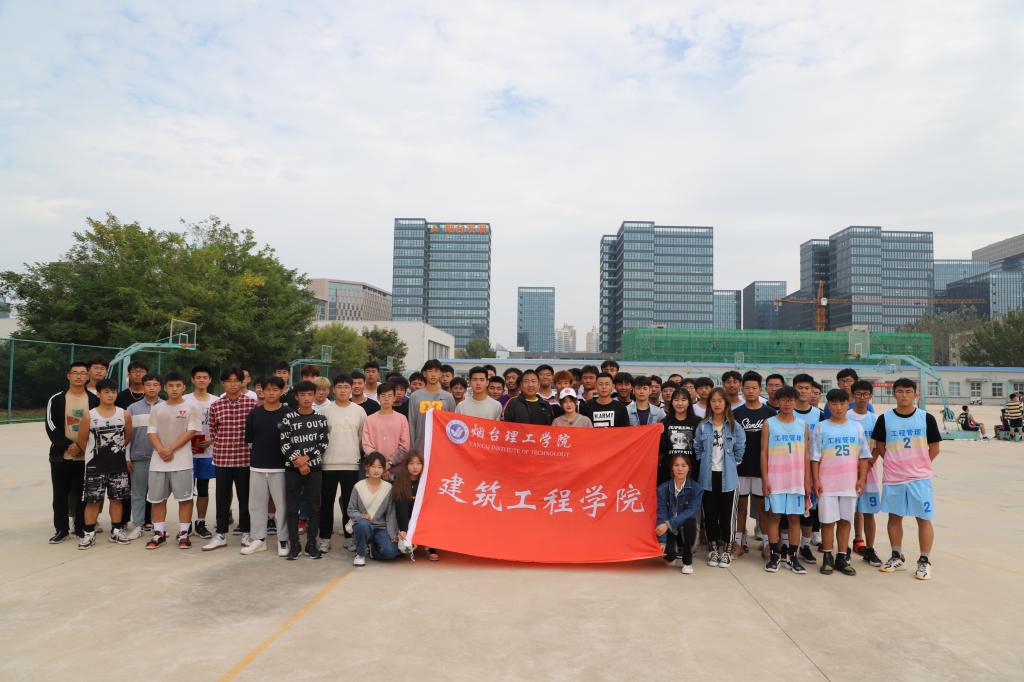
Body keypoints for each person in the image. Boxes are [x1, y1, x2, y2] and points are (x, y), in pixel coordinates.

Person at [871, 377, 942, 580]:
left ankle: (924, 560)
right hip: (894, 477)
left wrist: (920, 465)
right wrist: (894, 462)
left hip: (919, 478)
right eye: (900, 391)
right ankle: (896, 556)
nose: (904, 395)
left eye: (908, 391)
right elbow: (880, 446)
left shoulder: (926, 418)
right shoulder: (885, 419)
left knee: (924, 518)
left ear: (915, 394)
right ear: (894, 394)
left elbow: (934, 448)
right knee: (894, 517)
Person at [811, 389, 871, 576]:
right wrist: (816, 480)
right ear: (828, 405)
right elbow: (815, 457)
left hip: (849, 483)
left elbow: (863, 456)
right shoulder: (821, 427)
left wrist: (861, 479)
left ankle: (842, 557)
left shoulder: (856, 427)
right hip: (827, 484)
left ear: (848, 404)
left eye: (842, 403)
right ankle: (827, 556)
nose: (838, 407)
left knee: (845, 520)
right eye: (834, 403)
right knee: (828, 521)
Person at [202, 368, 257, 551]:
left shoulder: (252, 404)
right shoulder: (216, 406)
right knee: (222, 499)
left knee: (245, 498)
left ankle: (247, 533)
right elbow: (213, 431)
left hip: (245, 459)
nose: (233, 384)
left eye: (236, 381)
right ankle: (221, 534)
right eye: (229, 381)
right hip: (222, 459)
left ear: (242, 382)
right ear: (223, 383)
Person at [145, 372, 201, 550]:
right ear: (165, 388)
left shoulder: (192, 407)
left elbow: (191, 432)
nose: (174, 389)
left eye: (178, 385)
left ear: (184, 387)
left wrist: (170, 449)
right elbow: (151, 433)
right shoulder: (157, 409)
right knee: (157, 500)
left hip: (182, 462)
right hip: (158, 462)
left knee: (185, 499)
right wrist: (161, 450)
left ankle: (183, 534)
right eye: (170, 386)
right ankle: (159, 533)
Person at [45, 361, 99, 543]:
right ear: (69, 376)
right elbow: (51, 426)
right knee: (60, 495)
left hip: (86, 457)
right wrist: (68, 445)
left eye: (82, 373)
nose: (79, 376)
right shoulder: (56, 399)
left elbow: (97, 426)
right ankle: (61, 529)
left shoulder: (94, 400)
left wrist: (82, 446)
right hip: (61, 457)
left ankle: (81, 527)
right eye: (75, 373)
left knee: (84, 494)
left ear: (87, 377)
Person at [74, 379, 132, 548]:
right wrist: (95, 454)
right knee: (93, 501)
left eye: (113, 392)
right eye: (106, 392)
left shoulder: (124, 414)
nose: (110, 395)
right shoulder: (90, 416)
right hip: (95, 466)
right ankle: (89, 534)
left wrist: (115, 451)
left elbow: (128, 436)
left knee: (117, 499)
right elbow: (82, 440)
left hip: (117, 465)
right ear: (98, 394)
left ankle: (116, 531)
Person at [761, 386, 812, 574]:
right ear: (777, 401)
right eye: (783, 400)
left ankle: (792, 557)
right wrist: (765, 479)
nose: (787, 403)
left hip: (796, 480)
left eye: (790, 400)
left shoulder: (802, 425)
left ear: (796, 402)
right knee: (774, 517)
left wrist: (807, 482)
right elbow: (763, 452)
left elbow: (806, 455)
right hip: (775, 479)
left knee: (794, 518)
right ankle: (775, 555)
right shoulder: (769, 423)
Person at [693, 388, 745, 568]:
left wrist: (731, 464)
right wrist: (704, 462)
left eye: (720, 401)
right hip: (707, 477)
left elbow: (740, 450)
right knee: (710, 514)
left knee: (728, 516)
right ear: (709, 404)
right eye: (713, 401)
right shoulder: (703, 426)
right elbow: (697, 448)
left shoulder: (735, 426)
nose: (716, 404)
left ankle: (727, 550)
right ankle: (713, 549)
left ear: (726, 404)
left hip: (728, 477)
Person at [242, 376, 291, 557]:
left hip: (281, 467)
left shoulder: (289, 413)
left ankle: (283, 539)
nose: (271, 393)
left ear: (282, 391)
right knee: (256, 505)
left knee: (282, 506)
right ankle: (258, 539)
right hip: (257, 466)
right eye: (268, 389)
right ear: (262, 391)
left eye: (275, 389)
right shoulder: (254, 414)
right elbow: (249, 440)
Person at [280, 381, 329, 560]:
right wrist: (298, 462)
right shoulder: (288, 418)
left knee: (314, 507)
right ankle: (294, 544)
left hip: (314, 469)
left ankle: (311, 544)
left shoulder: (321, 419)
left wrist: (307, 458)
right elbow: (284, 443)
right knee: (292, 507)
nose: (307, 398)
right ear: (296, 397)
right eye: (303, 395)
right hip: (293, 469)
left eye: (310, 394)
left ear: (314, 395)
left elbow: (323, 443)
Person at [320, 374, 367, 553]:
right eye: (339, 387)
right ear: (334, 390)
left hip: (351, 464)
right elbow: (321, 437)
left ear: (351, 389)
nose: (343, 390)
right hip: (329, 464)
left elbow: (362, 437)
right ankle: (324, 538)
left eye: (346, 387)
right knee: (326, 503)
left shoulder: (359, 411)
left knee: (350, 504)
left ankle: (350, 538)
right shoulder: (325, 411)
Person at [732, 371, 776, 558]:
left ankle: (767, 544)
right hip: (740, 469)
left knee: (762, 508)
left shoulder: (770, 414)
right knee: (740, 506)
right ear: (742, 390)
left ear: (760, 389)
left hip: (762, 470)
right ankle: (738, 542)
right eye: (747, 388)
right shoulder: (735, 414)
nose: (750, 391)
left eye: (754, 388)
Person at [848, 380, 883, 566]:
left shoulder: (875, 419)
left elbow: (878, 445)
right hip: (847, 472)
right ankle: (844, 549)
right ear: (852, 395)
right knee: (846, 512)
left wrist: (870, 463)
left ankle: (869, 549)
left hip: (870, 472)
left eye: (865, 394)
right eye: (858, 394)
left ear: (870, 396)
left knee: (869, 512)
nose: (862, 398)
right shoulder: (846, 416)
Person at [125, 373, 162, 539]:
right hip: (138, 457)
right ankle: (138, 525)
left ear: (160, 387)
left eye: (155, 385)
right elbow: (127, 435)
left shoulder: (166, 406)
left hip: (160, 458)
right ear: (143, 386)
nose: (152, 388)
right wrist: (127, 457)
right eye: (148, 385)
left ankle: (158, 526)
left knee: (158, 495)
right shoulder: (132, 408)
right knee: (138, 494)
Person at [348, 452, 400, 566]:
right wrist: (360, 516)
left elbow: (391, 513)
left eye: (379, 467)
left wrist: (393, 534)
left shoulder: (388, 488)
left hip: (381, 527)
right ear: (367, 467)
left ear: (384, 469)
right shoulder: (358, 486)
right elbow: (351, 510)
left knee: (391, 553)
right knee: (362, 525)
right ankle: (360, 554)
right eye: (373, 467)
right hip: (364, 526)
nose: (376, 470)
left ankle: (372, 550)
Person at [793, 373, 824, 558]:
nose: (803, 391)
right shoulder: (786, 411)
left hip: (812, 469)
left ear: (812, 390)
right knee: (789, 509)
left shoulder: (819, 414)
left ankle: (805, 545)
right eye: (800, 388)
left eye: (807, 388)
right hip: (790, 468)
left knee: (809, 509)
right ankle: (786, 544)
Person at [184, 365, 217, 540]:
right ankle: (186, 523)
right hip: (187, 452)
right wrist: (185, 441)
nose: (202, 380)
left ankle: (201, 523)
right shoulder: (185, 400)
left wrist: (212, 439)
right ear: (192, 379)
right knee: (187, 490)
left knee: (203, 488)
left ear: (210, 380)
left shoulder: (216, 401)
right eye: (198, 377)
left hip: (207, 452)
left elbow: (221, 426)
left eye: (205, 377)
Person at [656, 454, 703, 574]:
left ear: (689, 468)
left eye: (683, 465)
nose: (680, 469)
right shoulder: (662, 489)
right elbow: (662, 514)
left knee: (690, 521)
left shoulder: (696, 489)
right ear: (672, 468)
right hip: (670, 530)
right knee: (669, 555)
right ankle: (674, 552)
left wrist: (668, 524)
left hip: (686, 530)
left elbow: (691, 512)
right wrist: (662, 541)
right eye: (676, 465)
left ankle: (687, 561)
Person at [392, 451, 439, 561]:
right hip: (407, 520)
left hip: (423, 519)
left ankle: (430, 548)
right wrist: (403, 529)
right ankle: (411, 542)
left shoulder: (427, 481)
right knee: (406, 550)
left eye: (418, 463)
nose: (415, 467)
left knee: (434, 517)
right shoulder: (400, 483)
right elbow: (401, 510)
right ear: (406, 465)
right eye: (412, 463)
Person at [363, 381, 411, 479]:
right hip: (374, 470)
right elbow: (366, 445)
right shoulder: (369, 419)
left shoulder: (402, 419)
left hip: (397, 471)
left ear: (394, 397)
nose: (386, 399)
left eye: (389, 396)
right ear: (378, 398)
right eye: (383, 395)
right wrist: (380, 465)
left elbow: (405, 446)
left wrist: (389, 463)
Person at [407, 359, 457, 452]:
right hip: (420, 447)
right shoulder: (415, 396)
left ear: (440, 374)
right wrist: (412, 450)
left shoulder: (448, 397)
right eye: (430, 371)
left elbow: (452, 425)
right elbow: (412, 424)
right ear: (424, 373)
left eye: (436, 371)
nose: (433, 374)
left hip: (442, 447)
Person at [658, 388, 700, 485]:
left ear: (689, 402)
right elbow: (661, 449)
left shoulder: (698, 422)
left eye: (683, 400)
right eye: (676, 400)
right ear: (672, 403)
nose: (680, 403)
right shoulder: (664, 422)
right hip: (669, 471)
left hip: (692, 470)